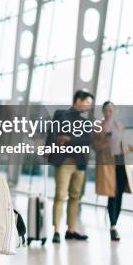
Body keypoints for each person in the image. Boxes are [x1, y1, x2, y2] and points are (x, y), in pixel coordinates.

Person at [93, 101, 133, 241]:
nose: (109, 112)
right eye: (106, 110)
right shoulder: (98, 127)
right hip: (108, 164)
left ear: (114, 111)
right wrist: (105, 139)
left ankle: (115, 223)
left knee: (120, 193)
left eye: (111, 110)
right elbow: (95, 147)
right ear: (103, 111)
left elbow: (125, 144)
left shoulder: (119, 125)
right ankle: (112, 227)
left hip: (121, 161)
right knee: (112, 193)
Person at [47, 90, 94, 243]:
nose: (88, 107)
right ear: (78, 100)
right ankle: (56, 231)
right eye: (87, 103)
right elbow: (53, 136)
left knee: (75, 197)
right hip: (63, 162)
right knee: (60, 196)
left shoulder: (85, 122)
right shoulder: (60, 115)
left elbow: (87, 140)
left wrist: (68, 138)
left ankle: (71, 230)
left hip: (79, 163)